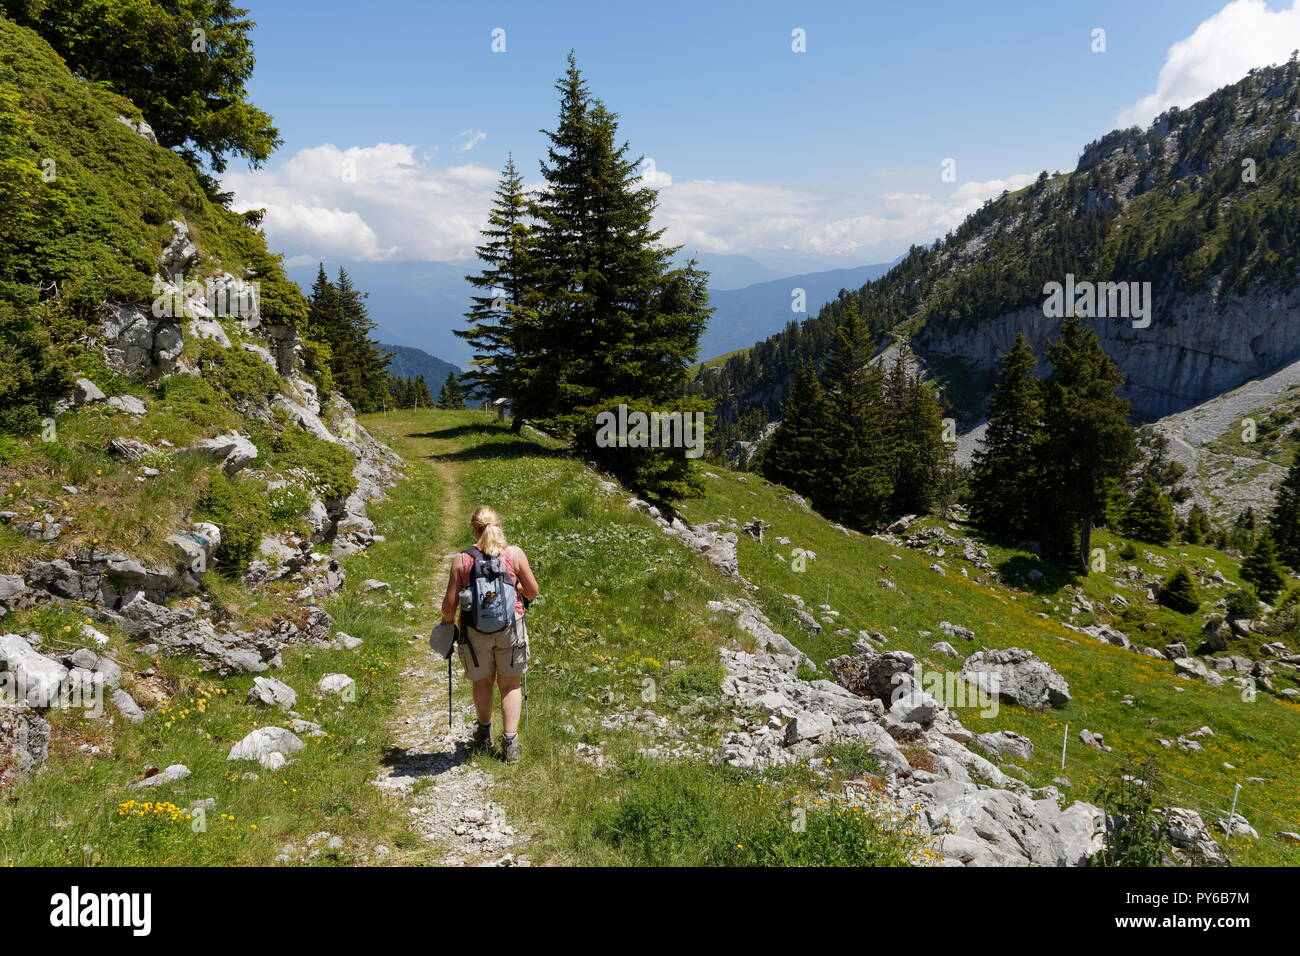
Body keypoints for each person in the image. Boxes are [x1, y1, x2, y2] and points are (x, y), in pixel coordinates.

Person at [441, 506, 540, 762]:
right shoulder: (514, 554)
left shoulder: (462, 560)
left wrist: (447, 625)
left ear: (474, 528)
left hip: (474, 631)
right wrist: (515, 585)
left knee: (482, 682)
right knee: (510, 683)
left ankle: (483, 733)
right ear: (499, 525)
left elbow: (449, 604)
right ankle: (510, 744)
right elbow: (532, 591)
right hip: (511, 626)